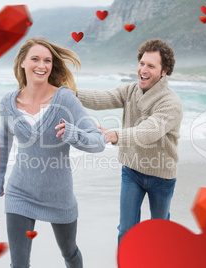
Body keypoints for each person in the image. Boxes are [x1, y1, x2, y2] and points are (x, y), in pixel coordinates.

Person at [0, 37, 106, 268]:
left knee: (69, 252)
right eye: (35, 59)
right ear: (23, 63)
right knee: (19, 264)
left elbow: (98, 142)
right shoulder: (8, 103)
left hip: (59, 195)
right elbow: (3, 142)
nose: (41, 66)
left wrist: (74, 135)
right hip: (20, 192)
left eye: (47, 61)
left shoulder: (65, 99)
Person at [76, 38, 183, 244]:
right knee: (126, 230)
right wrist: (71, 93)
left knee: (159, 232)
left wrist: (116, 135)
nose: (143, 69)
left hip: (162, 175)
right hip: (132, 171)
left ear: (164, 71)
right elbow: (103, 97)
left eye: (151, 66)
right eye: (142, 63)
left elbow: (149, 131)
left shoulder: (171, 103)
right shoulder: (130, 91)